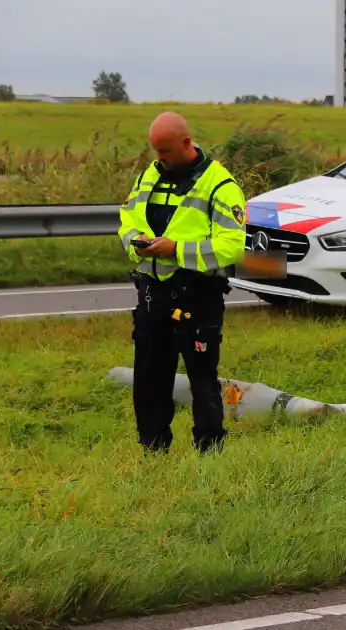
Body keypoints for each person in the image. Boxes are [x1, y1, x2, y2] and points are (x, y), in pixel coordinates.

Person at [116, 111, 248, 454]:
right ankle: (153, 451)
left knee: (203, 382)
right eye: (155, 152)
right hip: (151, 295)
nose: (158, 159)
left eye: (165, 152)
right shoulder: (151, 175)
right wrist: (136, 243)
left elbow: (230, 246)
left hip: (197, 297)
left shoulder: (221, 185)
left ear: (186, 143)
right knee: (149, 380)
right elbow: (127, 217)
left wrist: (176, 250)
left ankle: (209, 452)